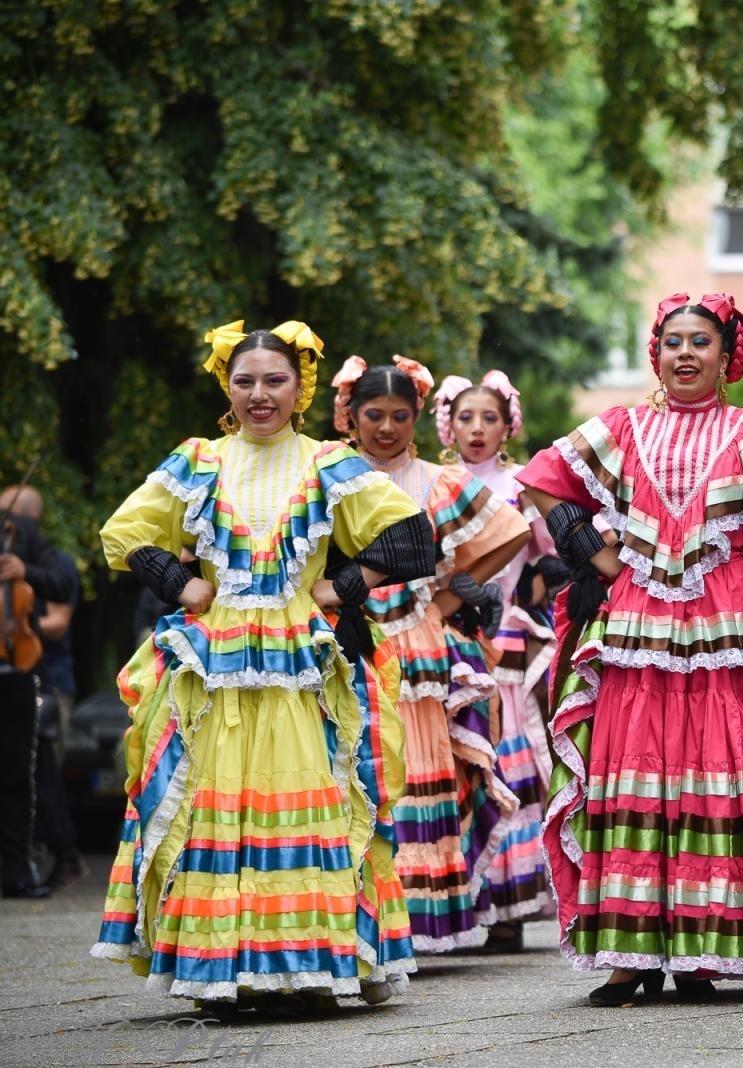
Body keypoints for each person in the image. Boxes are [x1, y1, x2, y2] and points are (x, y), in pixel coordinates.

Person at [518, 292, 743, 1006]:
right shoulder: (621, 427)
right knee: (628, 763)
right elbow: (543, 480)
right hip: (637, 618)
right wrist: (598, 559)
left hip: (727, 623)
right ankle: (628, 955)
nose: (684, 353)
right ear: (655, 352)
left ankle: (708, 948)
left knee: (717, 761)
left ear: (726, 357)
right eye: (672, 340)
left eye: (700, 342)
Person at [92, 320, 434, 1008]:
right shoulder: (199, 460)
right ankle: (223, 970)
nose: (259, 395)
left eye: (274, 380)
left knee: (305, 800)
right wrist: (182, 583)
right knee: (212, 803)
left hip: (298, 659)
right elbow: (124, 532)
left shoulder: (327, 463)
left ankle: (303, 968)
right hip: (216, 657)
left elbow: (412, 537)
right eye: (244, 381)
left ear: (300, 387)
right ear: (226, 385)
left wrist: (338, 587)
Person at [330, 355, 531, 952]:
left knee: (415, 770)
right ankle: (359, 920)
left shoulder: (434, 481)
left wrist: (446, 598)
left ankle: (414, 924)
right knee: (352, 771)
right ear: (351, 415)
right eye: (373, 415)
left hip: (417, 640)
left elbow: (511, 531)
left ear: (417, 416)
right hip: (345, 634)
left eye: (399, 415)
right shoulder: (331, 472)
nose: (386, 427)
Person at [434, 370, 565, 949]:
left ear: (508, 423)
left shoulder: (520, 486)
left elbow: (553, 558)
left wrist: (533, 592)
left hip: (504, 645)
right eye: (466, 417)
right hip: (435, 641)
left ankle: (509, 904)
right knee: (445, 767)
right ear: (447, 425)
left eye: (490, 418)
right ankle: (451, 900)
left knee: (507, 770)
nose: (478, 428)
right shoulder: (432, 483)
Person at [0, 484, 88, 890]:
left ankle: (53, 857)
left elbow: (60, 605)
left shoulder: (42, 553)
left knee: (37, 775)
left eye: (12, 516)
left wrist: (23, 577)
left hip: (38, 679)